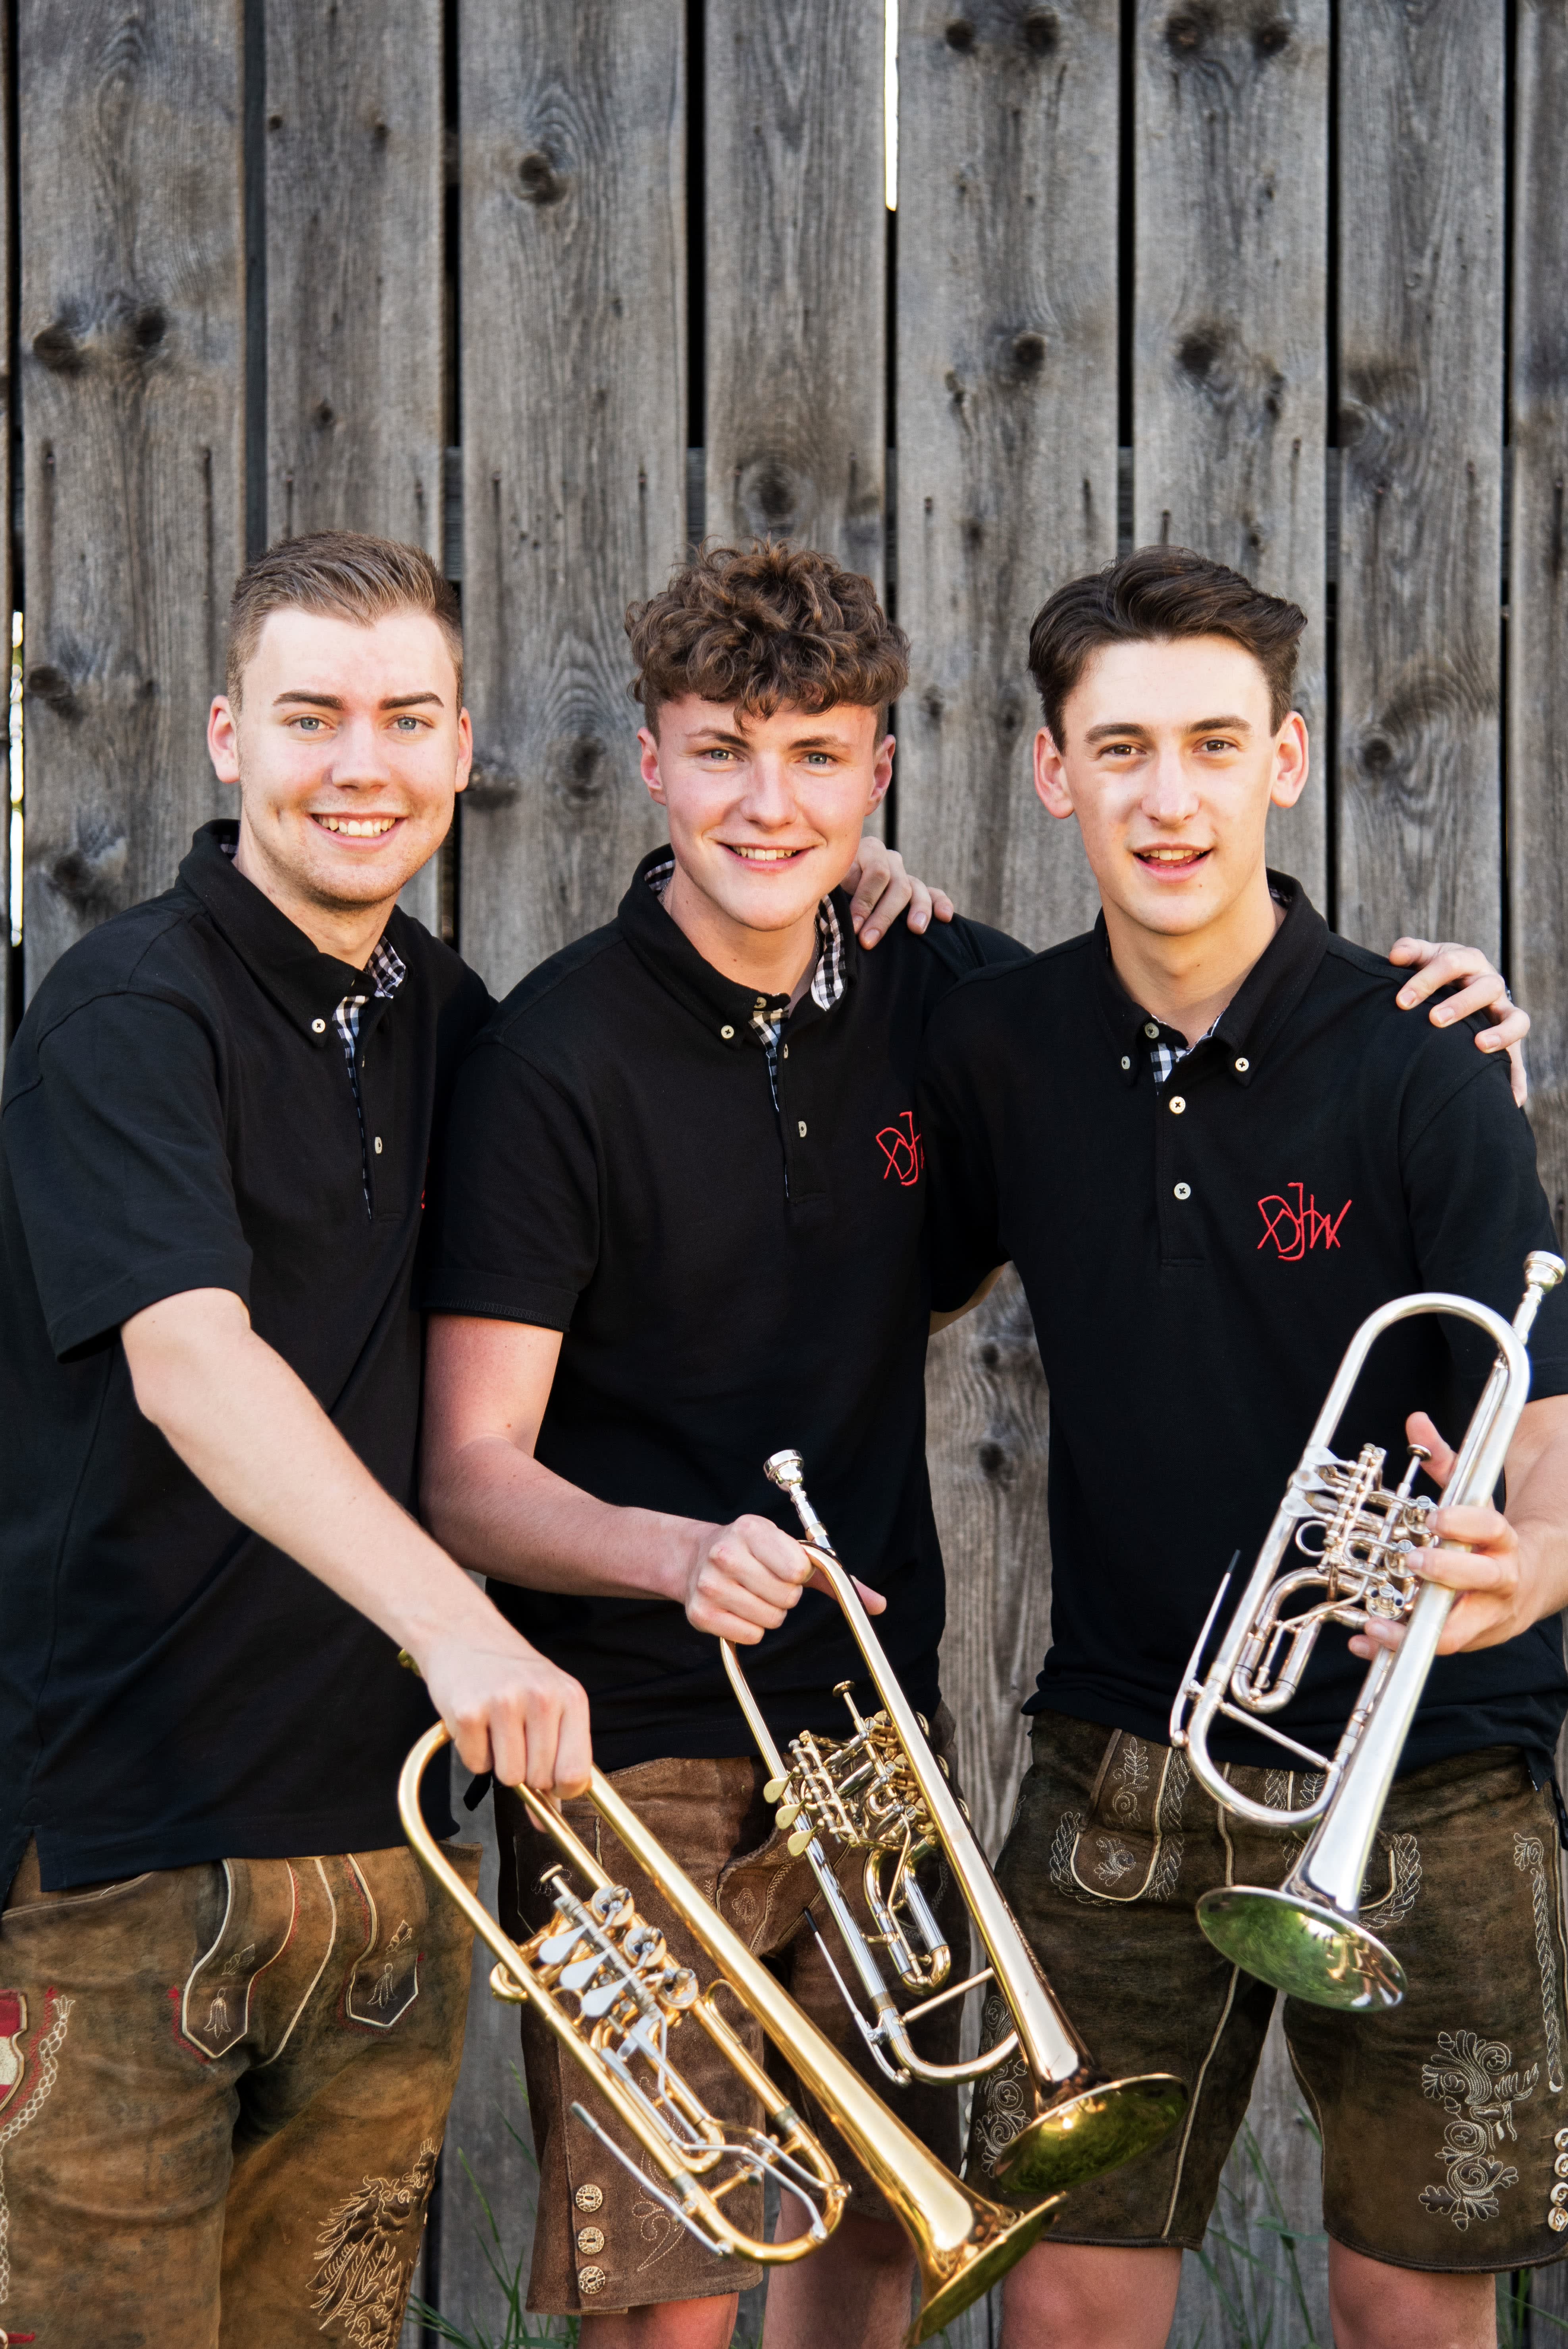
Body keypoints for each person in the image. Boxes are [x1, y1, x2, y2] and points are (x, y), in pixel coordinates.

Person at [417, 539, 1522, 2349]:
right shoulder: (581, 1056)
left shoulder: (964, 1005)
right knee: (708, 2305)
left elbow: (1191, 1074)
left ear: (883, 771)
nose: (769, 805)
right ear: (651, 759)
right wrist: (673, 1551)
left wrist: (1460, 1038)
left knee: (902, 2251)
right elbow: (471, 1462)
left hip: (913, 1724)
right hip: (697, 1739)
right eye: (722, 753)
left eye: (818, 758)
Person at [0, 528, 934, 2347]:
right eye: (311, 717)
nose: (360, 764)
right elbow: (192, 1361)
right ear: (227, 735)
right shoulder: (129, 1008)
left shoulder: (445, 1017)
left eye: (405, 718)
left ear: (462, 744)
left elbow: (684, 986)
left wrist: (837, 881)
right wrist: (457, 1623)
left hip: (386, 1848)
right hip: (129, 1850)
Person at [915, 545, 1568, 2349]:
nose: (1168, 797)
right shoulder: (996, 1045)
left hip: (1429, 1764)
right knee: (1065, 2303)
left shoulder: (1424, 1055)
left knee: (1407, 2312)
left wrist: (1529, 1569)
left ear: (1283, 760)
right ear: (1052, 773)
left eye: (1213, 744)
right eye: (1119, 750)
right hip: (1121, 1750)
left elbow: (1547, 1406)